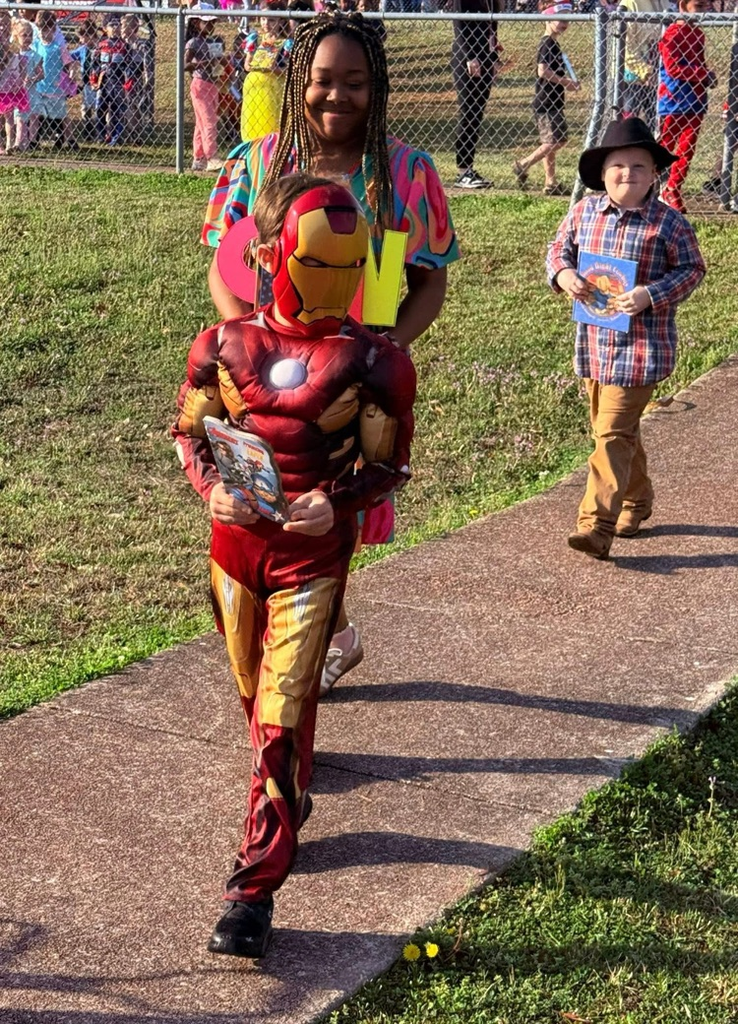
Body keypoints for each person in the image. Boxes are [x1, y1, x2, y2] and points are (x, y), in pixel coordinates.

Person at [172, 173, 416, 958]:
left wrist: (337, 501)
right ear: (272, 255)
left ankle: (253, 890)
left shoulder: (375, 361)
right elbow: (188, 429)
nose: (338, 285)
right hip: (233, 556)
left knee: (281, 717)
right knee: (257, 705)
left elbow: (390, 465)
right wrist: (212, 489)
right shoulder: (222, 345)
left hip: (312, 562)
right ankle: (290, 797)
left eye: (353, 268)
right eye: (321, 265)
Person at [202, 10, 459, 695]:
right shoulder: (256, 165)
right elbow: (223, 271)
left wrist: (379, 357)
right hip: (263, 388)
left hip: (349, 395)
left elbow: (429, 282)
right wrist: (240, 349)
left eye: (355, 81)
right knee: (259, 513)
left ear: (376, 88)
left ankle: (313, 649)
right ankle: (323, 640)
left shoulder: (404, 173)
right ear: (297, 82)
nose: (335, 96)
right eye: (321, 80)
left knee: (328, 513)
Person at [546, 117, 706, 559]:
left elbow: (693, 269)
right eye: (619, 165)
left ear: (654, 173)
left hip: (641, 352)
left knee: (611, 434)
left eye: (639, 166)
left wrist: (651, 295)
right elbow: (558, 249)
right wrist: (564, 274)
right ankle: (636, 501)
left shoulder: (668, 224)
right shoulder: (583, 212)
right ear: (602, 172)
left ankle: (596, 525)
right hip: (595, 347)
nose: (628, 174)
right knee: (616, 432)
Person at [512, 1, 580, 195]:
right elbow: (542, 71)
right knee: (557, 141)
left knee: (549, 142)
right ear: (548, 17)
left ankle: (550, 182)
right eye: (561, 18)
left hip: (554, 100)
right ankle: (523, 164)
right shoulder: (547, 43)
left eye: (568, 18)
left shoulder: (554, 44)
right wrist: (565, 82)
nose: (565, 23)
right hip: (546, 101)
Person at [657, 0, 716, 213]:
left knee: (687, 148)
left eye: (705, 7)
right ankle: (649, 182)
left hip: (696, 100)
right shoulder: (672, 33)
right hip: (674, 99)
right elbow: (673, 68)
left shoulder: (698, 34)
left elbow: (698, 63)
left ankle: (673, 188)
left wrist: (707, 76)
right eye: (698, 7)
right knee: (665, 144)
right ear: (683, 6)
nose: (702, 13)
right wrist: (702, 74)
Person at [450, 0, 502, 189]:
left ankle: (469, 168)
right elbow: (459, 25)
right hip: (467, 59)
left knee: (477, 114)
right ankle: (463, 171)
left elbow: (492, 28)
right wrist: (469, 56)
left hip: (486, 57)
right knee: (468, 112)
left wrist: (495, 58)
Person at [240, 0, 294, 142]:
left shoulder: (286, 43)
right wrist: (253, 63)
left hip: (274, 88)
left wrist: (275, 69)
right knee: (253, 121)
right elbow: (247, 65)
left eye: (271, 20)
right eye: (263, 19)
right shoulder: (255, 39)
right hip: (254, 86)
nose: (266, 23)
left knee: (272, 122)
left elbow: (289, 68)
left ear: (281, 21)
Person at [184, 3, 226, 171]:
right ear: (196, 22)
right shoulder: (193, 43)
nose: (211, 26)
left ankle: (199, 157)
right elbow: (185, 64)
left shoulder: (212, 42)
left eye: (212, 22)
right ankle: (211, 156)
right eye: (207, 22)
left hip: (212, 84)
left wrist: (222, 61)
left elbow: (219, 61)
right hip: (200, 84)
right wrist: (204, 63)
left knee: (202, 122)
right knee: (209, 121)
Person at [616, 0, 670, 131]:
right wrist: (646, 72)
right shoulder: (631, 3)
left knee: (656, 125)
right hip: (631, 77)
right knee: (627, 126)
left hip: (658, 73)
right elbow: (626, 48)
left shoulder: (665, 4)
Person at [34, 10, 76, 150]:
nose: (43, 33)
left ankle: (70, 139)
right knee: (38, 115)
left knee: (61, 116)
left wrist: (71, 73)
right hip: (40, 86)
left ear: (53, 30)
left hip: (55, 87)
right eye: (40, 30)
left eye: (46, 30)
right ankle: (34, 140)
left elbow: (69, 63)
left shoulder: (58, 47)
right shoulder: (36, 45)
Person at [90, 14, 131, 146]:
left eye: (117, 24)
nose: (115, 28)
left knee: (118, 110)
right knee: (100, 109)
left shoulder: (125, 46)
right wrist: (94, 79)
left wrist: (128, 83)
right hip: (103, 82)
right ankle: (101, 135)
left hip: (118, 82)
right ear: (105, 28)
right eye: (111, 25)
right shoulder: (101, 45)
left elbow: (129, 65)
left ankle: (116, 137)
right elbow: (94, 64)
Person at [12, 17, 42, 151]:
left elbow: (42, 73)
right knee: (19, 118)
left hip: (32, 90)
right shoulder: (14, 55)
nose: (28, 38)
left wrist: (33, 78)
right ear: (17, 36)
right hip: (18, 91)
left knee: (34, 116)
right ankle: (18, 143)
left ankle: (32, 141)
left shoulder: (35, 55)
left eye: (30, 35)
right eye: (24, 35)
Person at [69, 21, 100, 141]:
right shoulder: (83, 49)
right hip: (87, 82)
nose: (81, 40)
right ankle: (88, 131)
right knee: (86, 107)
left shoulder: (100, 47)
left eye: (83, 37)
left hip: (99, 82)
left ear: (90, 35)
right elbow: (70, 56)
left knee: (98, 107)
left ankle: (100, 131)